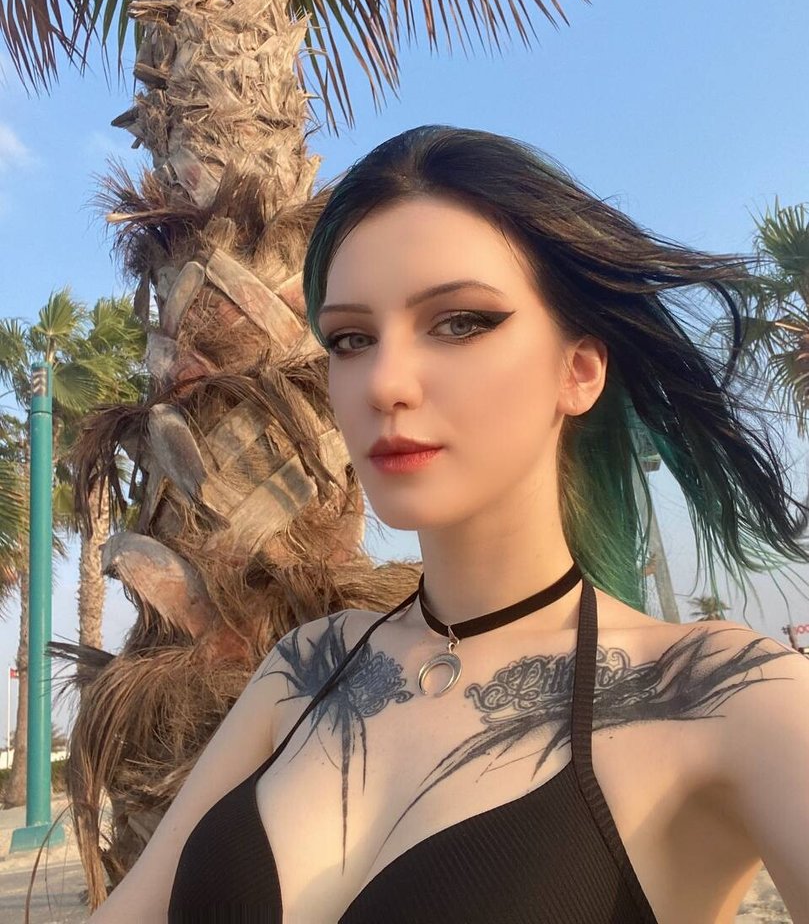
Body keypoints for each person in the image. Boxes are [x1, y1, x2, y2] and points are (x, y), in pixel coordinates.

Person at [91, 126, 809, 923]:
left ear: (578, 371)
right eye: (351, 339)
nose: (384, 382)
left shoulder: (722, 696)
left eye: (459, 322)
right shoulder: (303, 668)